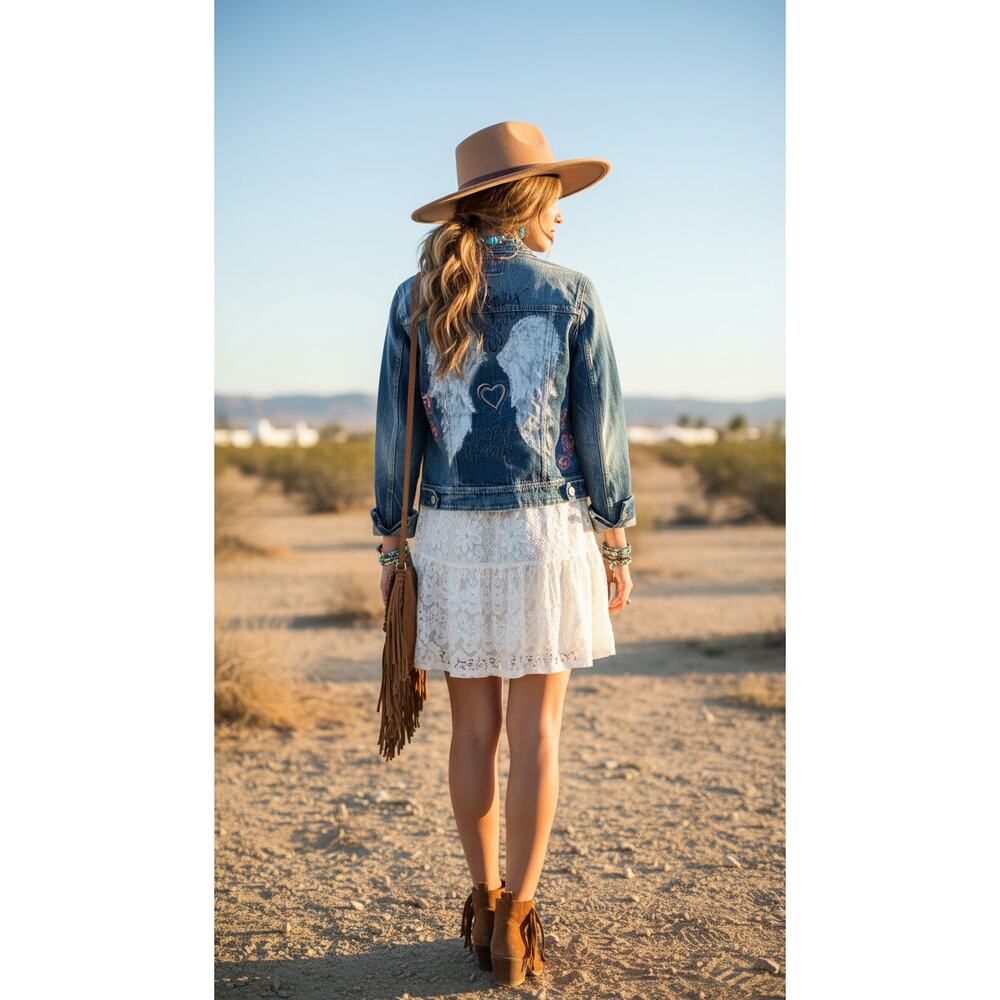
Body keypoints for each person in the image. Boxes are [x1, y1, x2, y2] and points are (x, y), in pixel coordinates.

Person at [370, 121, 636, 988]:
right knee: (538, 733)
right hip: (543, 536)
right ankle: (518, 922)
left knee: (472, 734)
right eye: (555, 195)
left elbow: (394, 431)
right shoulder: (571, 292)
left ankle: (483, 902)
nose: (562, 214)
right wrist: (615, 534)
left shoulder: (415, 297)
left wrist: (392, 535)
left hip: (446, 537)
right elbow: (598, 433)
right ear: (527, 197)